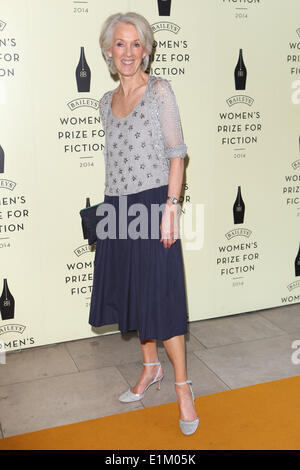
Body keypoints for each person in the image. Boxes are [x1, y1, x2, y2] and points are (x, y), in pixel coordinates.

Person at [89, 11, 199, 436]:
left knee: (163, 300)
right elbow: (114, 162)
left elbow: (177, 152)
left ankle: (183, 386)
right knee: (135, 295)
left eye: (136, 44)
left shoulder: (160, 92)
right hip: (117, 208)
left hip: (154, 204)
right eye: (120, 44)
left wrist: (171, 206)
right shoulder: (103, 102)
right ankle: (150, 368)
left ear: (147, 49)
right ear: (108, 51)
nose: (128, 52)